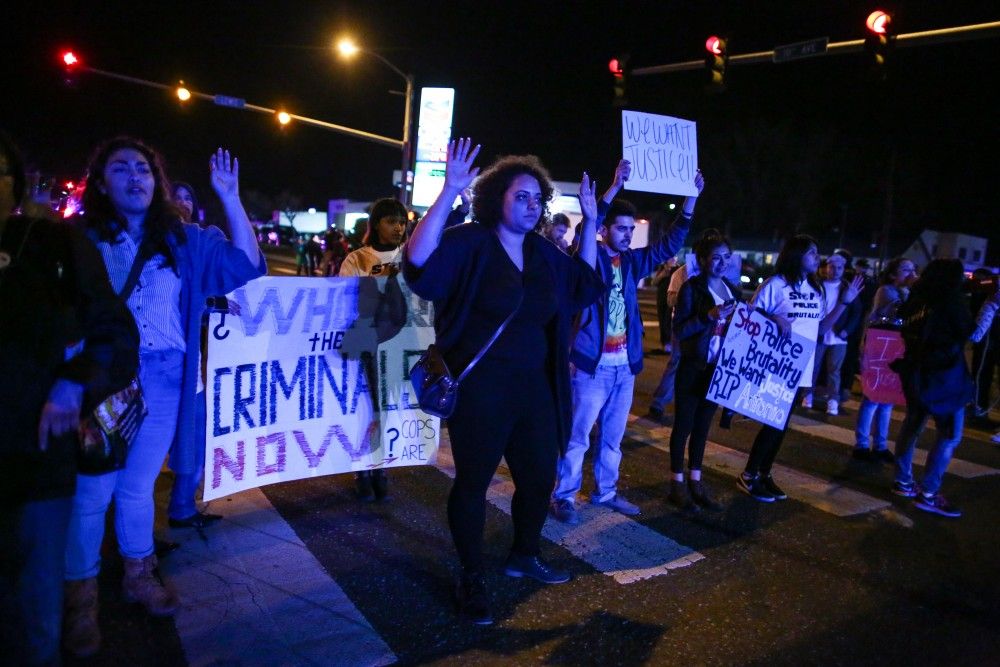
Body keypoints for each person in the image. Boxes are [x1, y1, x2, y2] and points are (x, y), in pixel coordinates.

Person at [63, 139, 265, 657]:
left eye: (144, 169)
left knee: (136, 488)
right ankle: (80, 599)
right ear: (101, 182)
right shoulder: (78, 240)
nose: (135, 177)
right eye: (120, 168)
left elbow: (245, 264)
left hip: (166, 377)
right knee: (92, 494)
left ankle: (138, 572)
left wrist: (230, 197)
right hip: (104, 379)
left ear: (157, 181)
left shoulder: (183, 240)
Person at [403, 138, 602, 625]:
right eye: (522, 197)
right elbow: (419, 263)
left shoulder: (543, 251)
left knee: (538, 477)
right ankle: (471, 576)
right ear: (497, 199)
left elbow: (584, 284)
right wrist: (450, 189)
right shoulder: (471, 241)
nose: (533, 206)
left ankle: (524, 553)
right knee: (473, 482)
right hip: (482, 391)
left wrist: (592, 222)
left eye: (538, 199)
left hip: (535, 390)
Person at [0, 131, 139, 665]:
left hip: (31, 457)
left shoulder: (52, 245)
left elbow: (116, 334)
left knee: (34, 611)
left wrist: (74, 381)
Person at [550, 160, 702, 525]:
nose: (627, 234)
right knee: (577, 437)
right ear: (604, 230)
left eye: (631, 229)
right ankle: (564, 496)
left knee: (613, 439)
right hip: (592, 365)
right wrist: (614, 187)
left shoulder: (633, 261)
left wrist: (690, 202)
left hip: (624, 367)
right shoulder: (586, 257)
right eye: (621, 228)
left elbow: (669, 247)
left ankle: (605, 492)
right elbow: (587, 224)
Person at [737, 236, 863, 502]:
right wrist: (773, 317)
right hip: (774, 366)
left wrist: (845, 302)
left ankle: (764, 473)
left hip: (799, 368)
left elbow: (821, 330)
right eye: (811, 253)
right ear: (796, 256)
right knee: (772, 423)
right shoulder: (776, 285)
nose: (818, 257)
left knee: (781, 425)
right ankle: (748, 476)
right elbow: (748, 320)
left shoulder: (813, 289)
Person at [890, 259, 1000, 517]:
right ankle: (928, 493)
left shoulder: (917, 299)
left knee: (912, 426)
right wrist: (992, 304)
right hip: (944, 377)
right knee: (950, 435)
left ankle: (903, 481)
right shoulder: (951, 302)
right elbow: (973, 335)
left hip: (915, 372)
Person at [339, 197, 408, 501]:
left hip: (401, 346)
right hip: (369, 347)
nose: (398, 227)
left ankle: (381, 467)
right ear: (376, 224)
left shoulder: (410, 256)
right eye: (391, 221)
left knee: (389, 409)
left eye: (402, 221)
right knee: (366, 410)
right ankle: (363, 471)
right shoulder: (357, 259)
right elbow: (342, 300)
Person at [666, 234, 740, 512]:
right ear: (703, 260)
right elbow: (680, 330)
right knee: (683, 426)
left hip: (717, 372)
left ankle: (696, 482)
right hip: (693, 367)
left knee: (701, 429)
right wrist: (708, 316)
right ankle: (677, 484)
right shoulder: (691, 289)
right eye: (716, 257)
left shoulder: (733, 291)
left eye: (726, 257)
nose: (721, 263)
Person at [853, 257, 917, 462]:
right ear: (892, 274)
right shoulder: (887, 291)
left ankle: (880, 445)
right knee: (872, 397)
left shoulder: (907, 292)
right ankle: (862, 444)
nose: (910, 274)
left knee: (888, 399)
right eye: (906, 269)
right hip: (879, 348)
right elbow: (896, 310)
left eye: (912, 269)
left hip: (895, 348)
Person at [802, 253, 863, 415]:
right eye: (832, 267)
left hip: (838, 337)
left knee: (834, 371)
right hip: (819, 334)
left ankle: (833, 400)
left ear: (844, 269)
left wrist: (847, 330)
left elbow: (857, 312)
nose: (836, 270)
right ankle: (808, 395)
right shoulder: (817, 285)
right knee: (813, 368)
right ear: (826, 268)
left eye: (840, 267)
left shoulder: (847, 288)